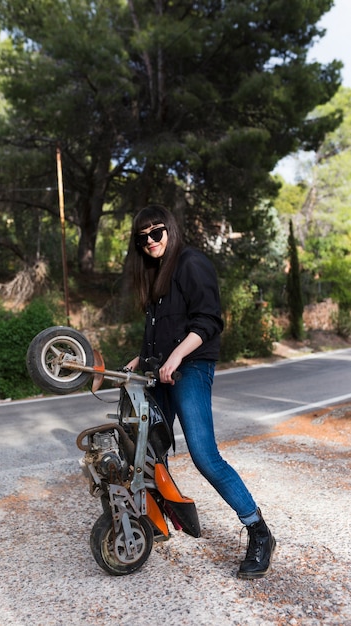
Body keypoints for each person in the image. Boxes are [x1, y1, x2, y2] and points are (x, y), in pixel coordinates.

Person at [125, 204, 276, 579]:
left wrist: (175, 357)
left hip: (190, 368)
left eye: (156, 232)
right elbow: (165, 330)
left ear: (170, 230)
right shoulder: (156, 274)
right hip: (163, 369)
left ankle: (259, 530)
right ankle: (154, 520)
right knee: (145, 447)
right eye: (142, 238)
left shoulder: (191, 262)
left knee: (205, 456)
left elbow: (208, 320)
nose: (150, 242)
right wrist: (140, 358)